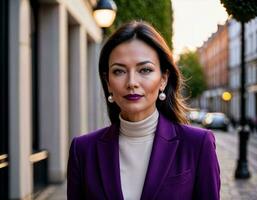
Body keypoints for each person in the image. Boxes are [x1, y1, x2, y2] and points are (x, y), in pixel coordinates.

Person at [67, 20, 220, 200]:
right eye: (119, 71)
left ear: (163, 79)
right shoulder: (83, 150)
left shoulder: (197, 144)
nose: (132, 82)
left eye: (145, 70)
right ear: (108, 82)